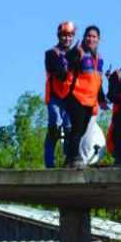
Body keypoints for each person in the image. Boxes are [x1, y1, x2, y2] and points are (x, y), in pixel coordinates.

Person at [65, 25, 108, 168]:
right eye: (88, 36)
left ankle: (69, 158)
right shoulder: (79, 52)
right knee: (77, 129)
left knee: (82, 130)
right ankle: (74, 157)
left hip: (90, 100)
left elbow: (98, 80)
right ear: (84, 38)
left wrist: (101, 99)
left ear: (99, 39)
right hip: (76, 96)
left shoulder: (99, 59)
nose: (91, 39)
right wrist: (74, 51)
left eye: (94, 36)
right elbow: (68, 58)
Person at [44, 21, 76, 168]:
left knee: (70, 129)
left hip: (71, 97)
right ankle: (49, 162)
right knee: (54, 127)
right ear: (59, 36)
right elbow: (59, 73)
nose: (67, 38)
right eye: (64, 35)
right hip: (56, 96)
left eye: (70, 35)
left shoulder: (77, 53)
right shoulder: (51, 54)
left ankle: (68, 160)